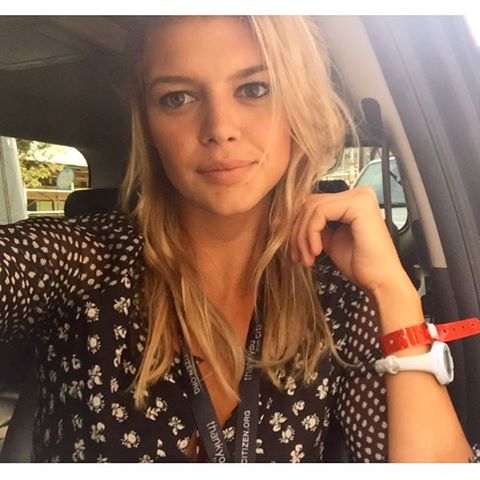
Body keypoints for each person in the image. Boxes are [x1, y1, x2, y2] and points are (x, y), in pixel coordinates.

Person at [0, 15, 478, 463]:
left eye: (255, 89)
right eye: (178, 98)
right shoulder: (81, 261)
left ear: (297, 106)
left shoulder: (337, 298)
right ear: (147, 124)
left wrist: (394, 291)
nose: (220, 129)